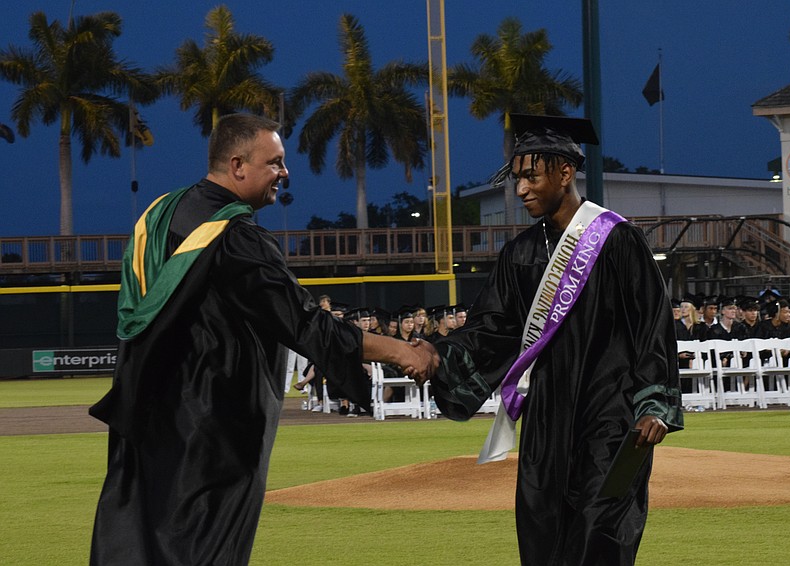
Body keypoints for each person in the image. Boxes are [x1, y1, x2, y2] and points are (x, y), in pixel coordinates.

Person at [88, 113, 438, 566]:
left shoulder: (161, 215)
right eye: (274, 162)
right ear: (237, 165)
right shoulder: (234, 238)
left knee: (142, 542)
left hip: (151, 419)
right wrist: (400, 350)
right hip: (213, 435)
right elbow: (306, 323)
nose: (285, 173)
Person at [426, 114, 683, 565]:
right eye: (517, 179)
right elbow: (490, 331)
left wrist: (654, 403)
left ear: (565, 173)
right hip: (546, 416)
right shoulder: (520, 253)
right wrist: (435, 357)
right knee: (543, 531)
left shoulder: (617, 240)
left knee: (601, 530)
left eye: (530, 176)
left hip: (612, 414)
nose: (520, 189)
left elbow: (652, 325)